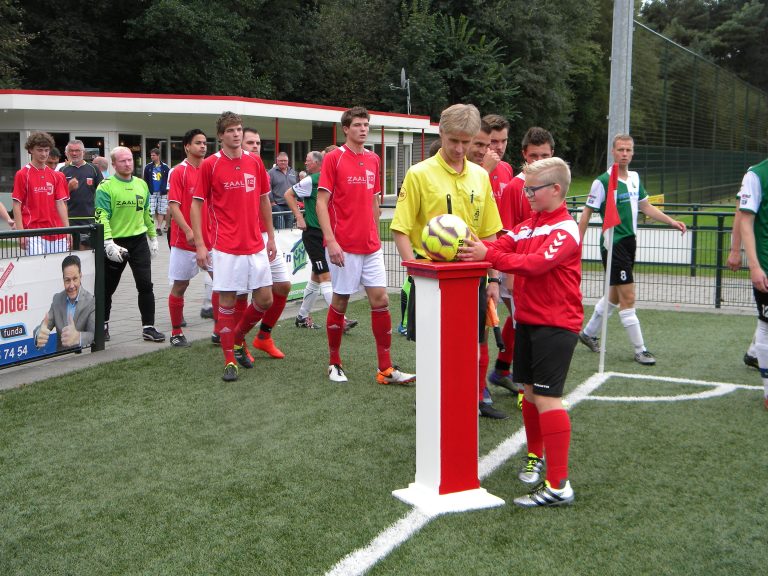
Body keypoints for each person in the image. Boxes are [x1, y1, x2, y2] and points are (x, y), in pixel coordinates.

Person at [459, 157, 582, 507]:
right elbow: (500, 246)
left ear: (556, 189)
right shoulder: (528, 226)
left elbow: (536, 264)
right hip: (528, 321)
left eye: (533, 188)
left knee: (546, 398)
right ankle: (535, 456)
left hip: (555, 325)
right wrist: (479, 247)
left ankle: (559, 486)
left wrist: (490, 256)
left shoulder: (565, 229)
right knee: (529, 395)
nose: (526, 193)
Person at [390, 103, 501, 412]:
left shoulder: (480, 177)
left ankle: (471, 400)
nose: (460, 148)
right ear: (441, 133)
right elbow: (400, 229)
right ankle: (430, 404)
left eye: (467, 142)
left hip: (472, 278)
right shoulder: (419, 174)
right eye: (454, 140)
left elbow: (490, 232)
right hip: (430, 279)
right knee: (432, 348)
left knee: (472, 346)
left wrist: (493, 277)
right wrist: (414, 270)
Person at [316, 106, 415, 385]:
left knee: (381, 300)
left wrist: (372, 227)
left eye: (366, 124)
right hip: (343, 245)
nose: (363, 128)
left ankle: (385, 369)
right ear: (346, 129)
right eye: (358, 124)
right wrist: (331, 241)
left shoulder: (373, 159)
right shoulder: (334, 158)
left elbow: (373, 200)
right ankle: (334, 362)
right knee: (341, 300)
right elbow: (321, 202)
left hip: (370, 245)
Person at [577, 134, 687, 365]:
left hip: (630, 243)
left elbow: (645, 206)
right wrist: (577, 243)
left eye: (628, 150)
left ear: (633, 152)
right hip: (613, 244)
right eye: (620, 150)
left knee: (615, 296)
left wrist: (671, 221)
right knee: (629, 297)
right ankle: (640, 349)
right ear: (613, 152)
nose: (625, 154)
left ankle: (587, 334)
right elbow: (586, 213)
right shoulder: (603, 181)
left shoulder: (635, 178)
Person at [190, 111, 275, 382]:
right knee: (227, 301)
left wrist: (271, 237)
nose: (237, 134)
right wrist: (201, 245)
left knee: (265, 299)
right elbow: (196, 204)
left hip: (255, 244)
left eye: (239, 129)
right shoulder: (210, 165)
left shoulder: (255, 162)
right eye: (231, 130)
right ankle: (229, 361)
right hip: (225, 246)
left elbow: (264, 201)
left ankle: (237, 338)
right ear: (221, 136)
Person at [488, 127, 556, 402]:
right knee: (528, 327)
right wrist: (511, 275)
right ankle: (524, 385)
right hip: (520, 272)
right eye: (534, 156)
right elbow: (506, 233)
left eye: (546, 155)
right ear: (524, 156)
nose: (539, 161)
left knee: (525, 325)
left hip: (542, 270)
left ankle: (502, 370)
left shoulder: (553, 186)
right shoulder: (517, 186)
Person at [463, 118, 509, 418]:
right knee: (448, 341)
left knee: (480, 335)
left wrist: (495, 274)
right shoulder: (467, 171)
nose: (494, 149)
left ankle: (481, 391)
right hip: (452, 269)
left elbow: (494, 226)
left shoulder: (505, 171)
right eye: (485, 143)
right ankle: (438, 391)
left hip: (488, 264)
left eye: (500, 142)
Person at [95, 146, 164, 343]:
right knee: (107, 288)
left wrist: (152, 237)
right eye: (123, 161)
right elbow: (102, 216)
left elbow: (145, 214)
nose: (127, 164)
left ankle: (148, 327)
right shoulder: (105, 187)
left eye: (130, 160)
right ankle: (103, 325)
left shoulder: (142, 185)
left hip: (139, 241)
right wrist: (108, 243)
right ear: (114, 164)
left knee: (145, 285)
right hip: (115, 242)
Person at [285, 150, 359, 331]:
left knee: (316, 278)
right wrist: (299, 217)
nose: (306, 164)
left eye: (308, 161)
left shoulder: (331, 178)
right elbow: (288, 194)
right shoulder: (311, 179)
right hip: (314, 235)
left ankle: (302, 317)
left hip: (328, 235)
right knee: (326, 277)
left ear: (319, 163)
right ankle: (341, 320)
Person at [241, 129, 291, 360]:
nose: (255, 146)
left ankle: (263, 336)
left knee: (283, 286)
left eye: (258, 142)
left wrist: (271, 237)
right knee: (242, 295)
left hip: (262, 237)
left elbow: (266, 204)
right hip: (238, 241)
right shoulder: (228, 165)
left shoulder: (260, 167)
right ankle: (236, 341)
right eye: (250, 142)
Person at [167, 128, 210, 348]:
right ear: (187, 146)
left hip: (211, 240)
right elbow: (173, 205)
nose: (203, 146)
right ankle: (176, 331)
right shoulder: (178, 172)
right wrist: (188, 230)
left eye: (204, 143)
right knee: (180, 285)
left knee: (221, 284)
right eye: (198, 143)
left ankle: (222, 331)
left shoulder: (211, 168)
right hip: (185, 241)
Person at [736, 156, 768, 410]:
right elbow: (744, 219)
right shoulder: (756, 175)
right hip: (767, 266)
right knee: (766, 325)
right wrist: (754, 266)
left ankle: (753, 354)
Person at [12, 131, 70, 255]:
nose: (44, 154)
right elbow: (16, 205)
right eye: (39, 150)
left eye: (46, 150)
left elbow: (61, 204)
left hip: (57, 231)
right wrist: (20, 233)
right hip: (33, 231)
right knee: (38, 270)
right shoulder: (22, 174)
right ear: (31, 150)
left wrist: (68, 230)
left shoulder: (57, 175)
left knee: (59, 269)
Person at [33, 254, 96, 351]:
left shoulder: (91, 302)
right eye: (67, 280)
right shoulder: (57, 299)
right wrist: (39, 334)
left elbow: (95, 335)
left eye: (75, 279)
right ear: (63, 280)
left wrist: (78, 337)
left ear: (80, 276)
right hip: (61, 361)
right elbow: (44, 326)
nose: (71, 285)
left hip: (85, 360)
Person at [727, 199, 760, 369]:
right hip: (762, 253)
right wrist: (735, 249)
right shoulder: (754, 174)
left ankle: (754, 352)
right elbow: (741, 212)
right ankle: (755, 353)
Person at [60, 139, 103, 249]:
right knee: (72, 253)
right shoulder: (62, 171)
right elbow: (57, 198)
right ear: (67, 153)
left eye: (77, 150)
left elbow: (102, 193)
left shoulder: (94, 169)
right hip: (70, 220)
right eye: (71, 151)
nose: (74, 153)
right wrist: (68, 188)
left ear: (83, 152)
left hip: (90, 218)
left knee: (89, 253)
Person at [143, 148, 170, 236]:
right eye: (151, 155)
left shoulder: (165, 167)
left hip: (162, 192)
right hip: (152, 191)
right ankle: (151, 227)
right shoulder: (148, 167)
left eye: (153, 155)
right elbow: (145, 180)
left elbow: (168, 180)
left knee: (162, 210)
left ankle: (159, 228)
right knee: (150, 210)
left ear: (158, 156)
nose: (152, 157)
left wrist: (167, 190)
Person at [268, 151, 297, 230]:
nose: (283, 162)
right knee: (280, 230)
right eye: (281, 161)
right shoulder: (271, 173)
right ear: (277, 161)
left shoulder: (293, 172)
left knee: (290, 229)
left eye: (285, 161)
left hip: (290, 205)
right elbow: (268, 188)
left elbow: (296, 186)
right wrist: (272, 203)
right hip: (278, 205)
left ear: (288, 161)